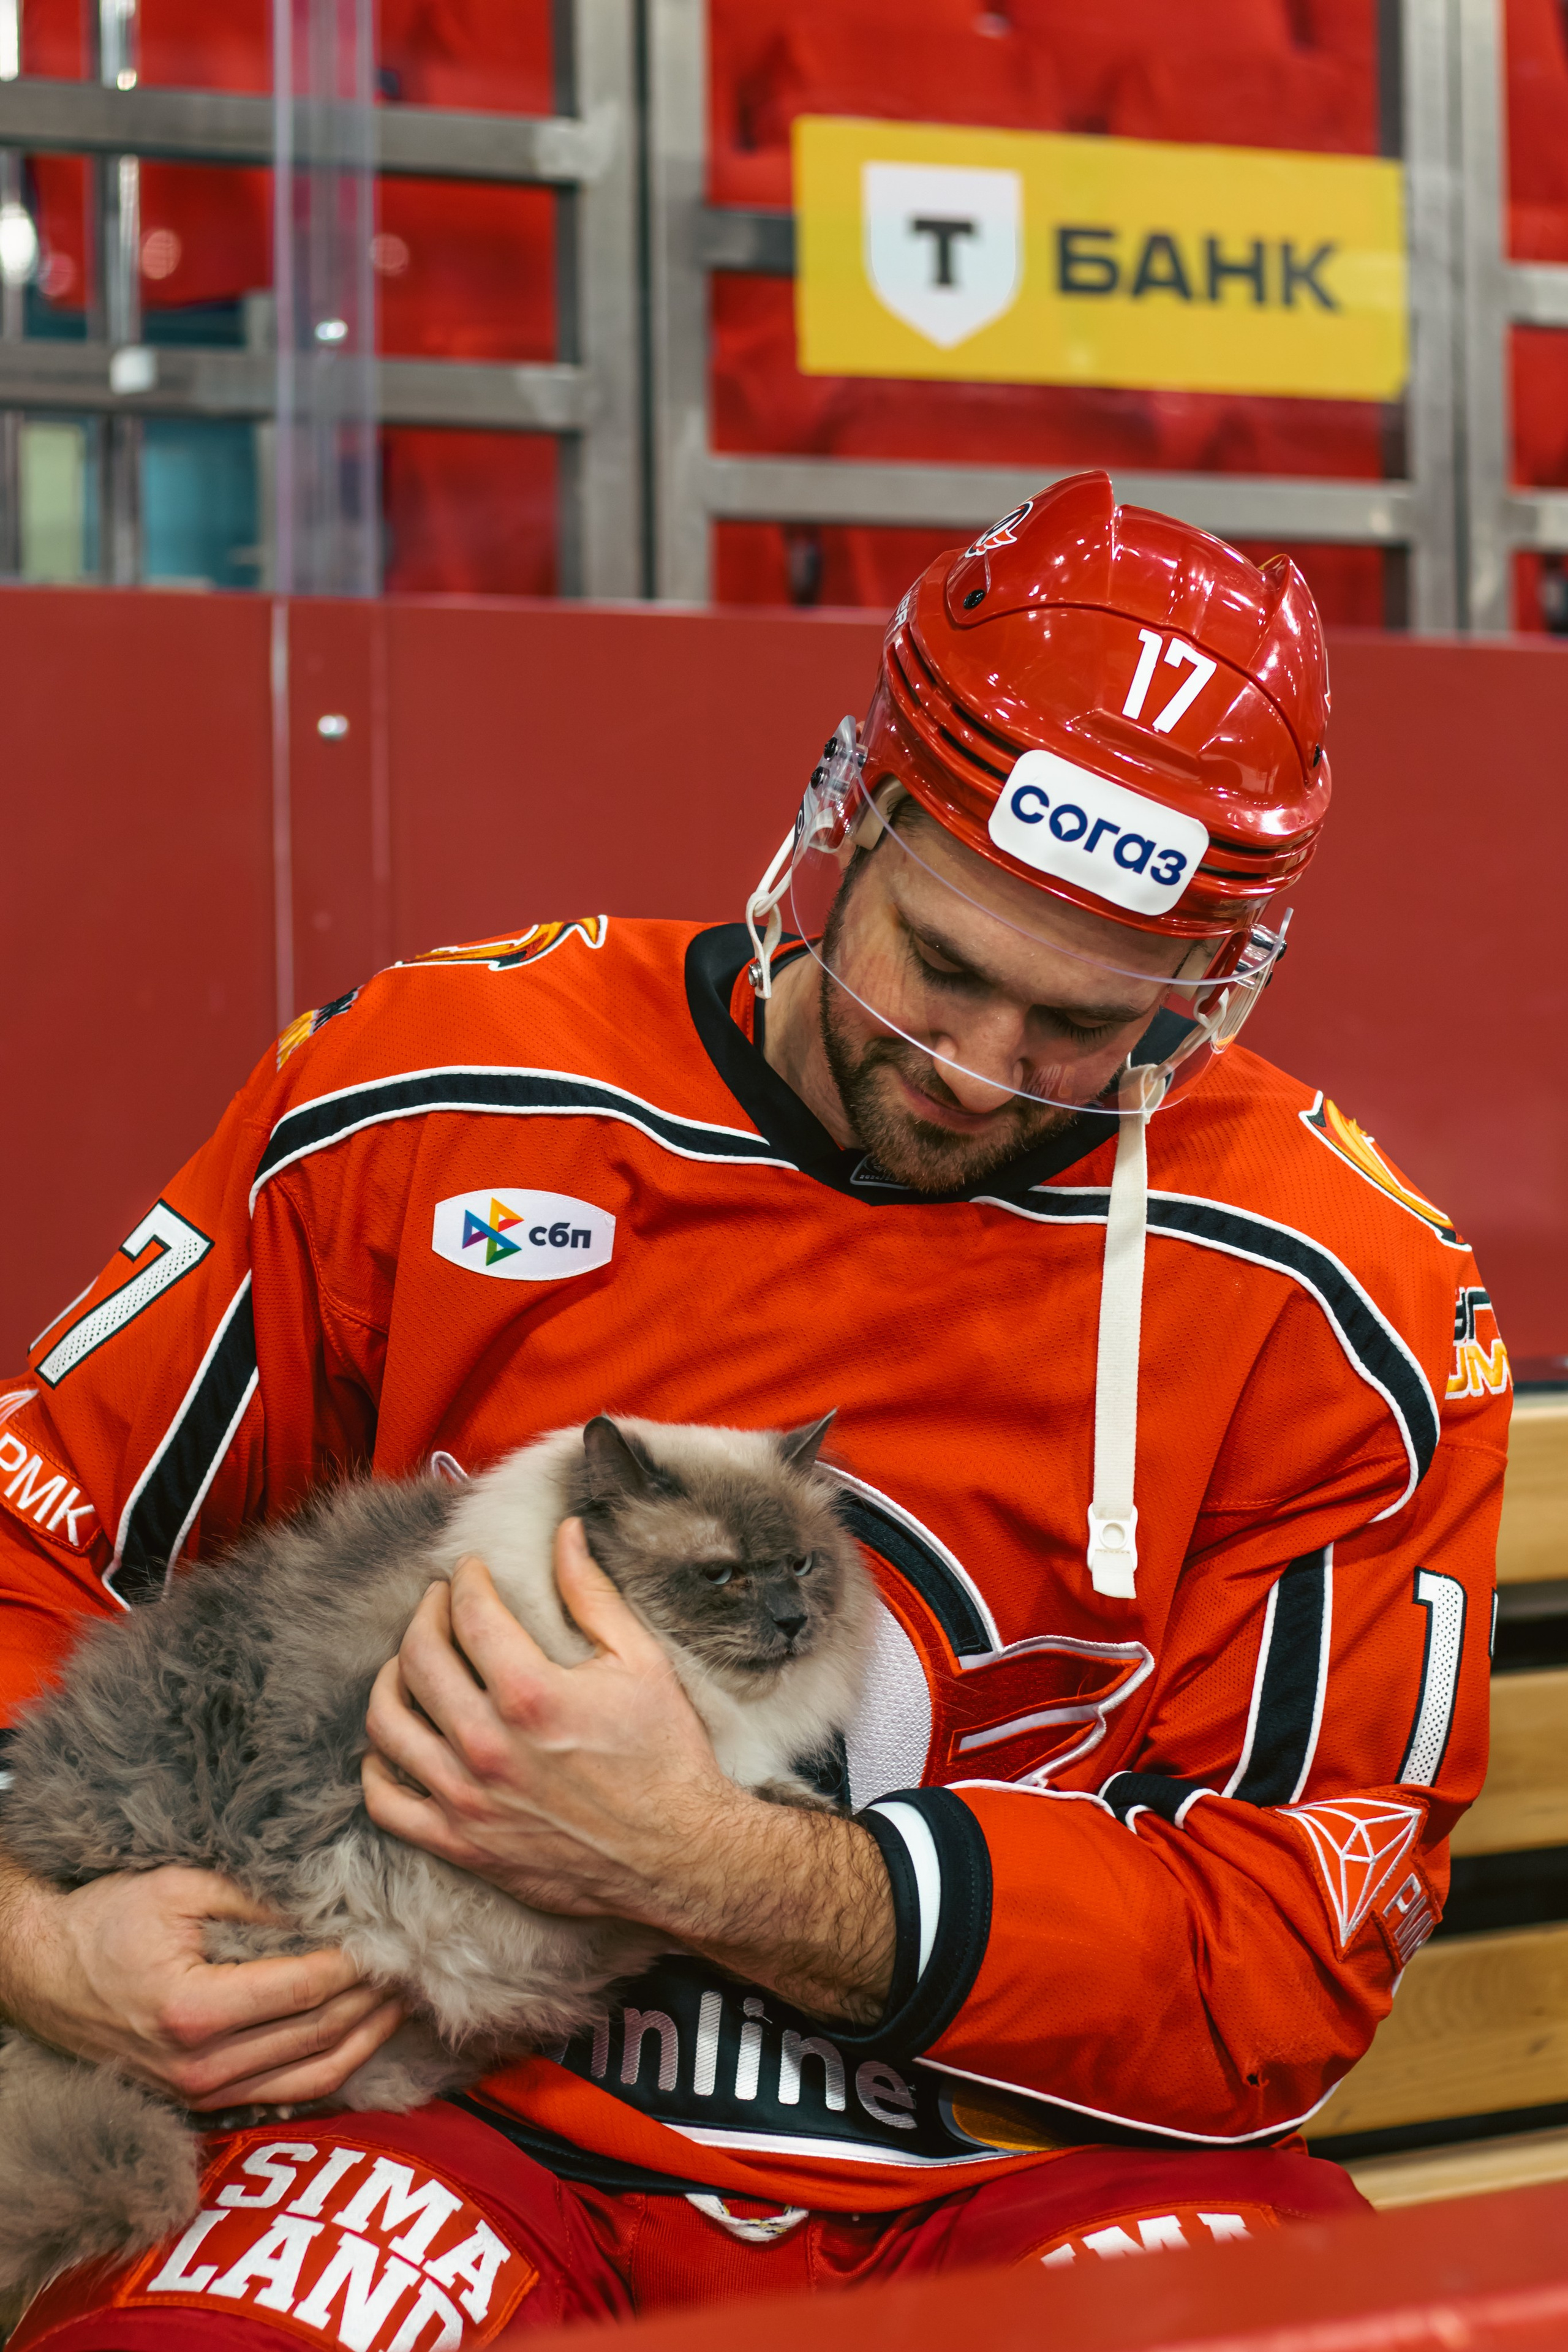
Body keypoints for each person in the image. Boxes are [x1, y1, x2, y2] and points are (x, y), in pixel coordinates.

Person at [0, 475, 1506, 2348]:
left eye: (1084, 1020)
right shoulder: (433, 1088)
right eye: (941, 964)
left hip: (1030, 2162)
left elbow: (1287, 1950)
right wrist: (33, 1932)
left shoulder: (1340, 1290)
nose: (977, 1070)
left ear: (1209, 984)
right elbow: (34, 1535)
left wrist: (704, 1863)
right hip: (445, 2122)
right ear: (842, 818)